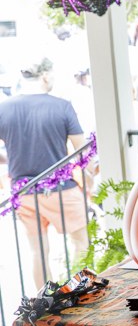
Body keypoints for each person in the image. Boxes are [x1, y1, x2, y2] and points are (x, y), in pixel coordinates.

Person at [0, 58, 90, 289]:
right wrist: (88, 182)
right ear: (46, 76)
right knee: (82, 244)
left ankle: (45, 303)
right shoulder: (62, 106)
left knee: (37, 252)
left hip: (24, 192)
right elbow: (82, 151)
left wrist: (12, 158)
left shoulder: (4, 108)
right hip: (62, 191)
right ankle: (83, 294)